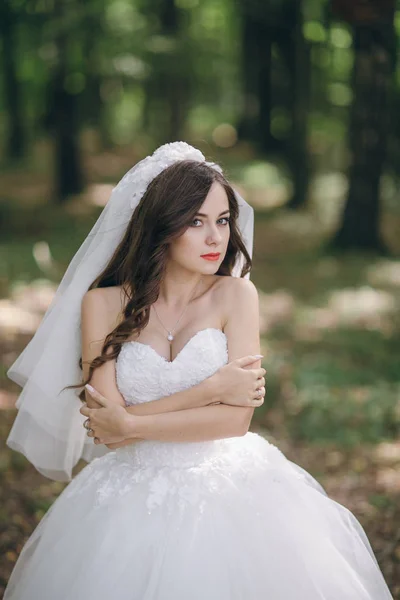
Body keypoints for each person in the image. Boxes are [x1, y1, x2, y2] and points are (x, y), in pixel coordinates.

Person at [4, 142, 393, 599]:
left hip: (232, 486)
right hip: (130, 494)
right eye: (196, 221)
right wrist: (209, 388)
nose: (216, 238)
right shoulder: (104, 303)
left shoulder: (237, 297)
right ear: (161, 227)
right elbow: (109, 431)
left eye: (223, 220)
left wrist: (135, 420)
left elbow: (234, 420)